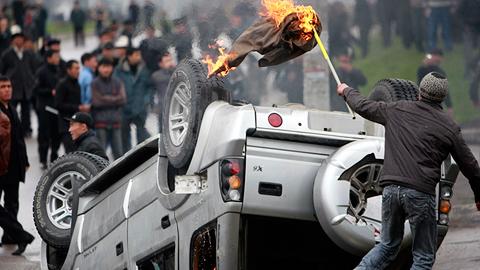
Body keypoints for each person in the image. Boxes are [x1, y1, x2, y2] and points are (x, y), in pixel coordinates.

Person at [336, 72, 480, 269]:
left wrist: (346, 91)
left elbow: (363, 106)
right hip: (420, 194)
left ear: (420, 91)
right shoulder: (449, 127)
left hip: (390, 190)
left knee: (386, 247)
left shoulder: (396, 109)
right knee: (423, 257)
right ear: (442, 98)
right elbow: (471, 167)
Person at [0, 76, 29, 244]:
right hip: (0, 165)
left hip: (13, 165)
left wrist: (24, 161)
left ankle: (10, 236)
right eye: (3, 87)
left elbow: (19, 138)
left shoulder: (11, 108)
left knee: (12, 202)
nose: (7, 89)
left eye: (9, 86)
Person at [0, 25, 37, 137]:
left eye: (21, 38)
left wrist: (32, 80)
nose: (19, 40)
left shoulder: (28, 53)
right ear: (13, 40)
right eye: (16, 38)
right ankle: (12, 128)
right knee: (11, 109)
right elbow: (2, 70)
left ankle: (27, 129)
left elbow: (34, 68)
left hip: (26, 87)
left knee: (26, 111)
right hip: (13, 87)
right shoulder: (7, 54)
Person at [115, 47, 152, 153]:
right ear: (129, 56)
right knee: (124, 135)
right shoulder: (119, 70)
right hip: (124, 107)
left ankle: (142, 155)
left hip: (140, 107)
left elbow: (149, 86)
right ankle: (125, 156)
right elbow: (115, 86)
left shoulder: (143, 69)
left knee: (141, 133)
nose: (139, 57)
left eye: (139, 55)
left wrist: (146, 99)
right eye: (136, 55)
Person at [91, 58, 126, 159]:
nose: (106, 70)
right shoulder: (95, 83)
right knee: (101, 154)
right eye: (103, 67)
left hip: (116, 121)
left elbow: (123, 99)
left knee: (119, 153)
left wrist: (105, 98)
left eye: (108, 67)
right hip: (100, 122)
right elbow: (96, 102)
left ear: (112, 68)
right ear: (99, 68)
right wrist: (115, 99)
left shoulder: (117, 82)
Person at [34, 50, 62, 169]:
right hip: (45, 108)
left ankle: (54, 158)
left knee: (56, 134)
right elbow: (36, 90)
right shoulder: (41, 72)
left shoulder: (59, 70)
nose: (58, 58)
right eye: (55, 56)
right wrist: (50, 91)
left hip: (56, 108)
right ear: (49, 58)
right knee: (44, 135)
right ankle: (43, 159)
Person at [55, 60, 84, 153]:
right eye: (76, 68)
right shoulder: (62, 84)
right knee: (70, 152)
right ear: (69, 70)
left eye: (79, 68)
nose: (78, 71)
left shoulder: (77, 84)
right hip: (65, 124)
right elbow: (58, 105)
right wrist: (77, 107)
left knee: (78, 152)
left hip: (77, 124)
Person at [416, 48, 453, 114]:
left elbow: (445, 90)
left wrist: (449, 106)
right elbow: (419, 83)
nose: (430, 58)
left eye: (433, 56)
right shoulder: (422, 69)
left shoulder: (440, 71)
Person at [151, 51, 176, 133]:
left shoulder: (177, 72)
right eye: (167, 61)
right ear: (160, 64)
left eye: (171, 60)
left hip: (177, 108)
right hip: (163, 109)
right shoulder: (156, 75)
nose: (170, 63)